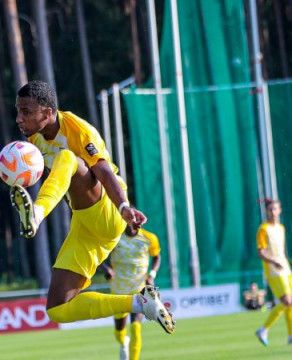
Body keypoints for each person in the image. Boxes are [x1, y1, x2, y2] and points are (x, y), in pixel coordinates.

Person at [10, 80, 174, 334]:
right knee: (58, 309)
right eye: (18, 111)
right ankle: (141, 303)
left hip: (108, 210)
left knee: (68, 157)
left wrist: (124, 207)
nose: (19, 119)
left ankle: (37, 214)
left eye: (26, 112)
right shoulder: (33, 136)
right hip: (85, 224)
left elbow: (105, 173)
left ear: (48, 112)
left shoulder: (77, 130)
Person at [101, 227, 162, 360]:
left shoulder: (149, 238)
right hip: (119, 291)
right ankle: (123, 342)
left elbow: (157, 257)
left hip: (139, 289)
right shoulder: (114, 237)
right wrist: (106, 269)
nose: (132, 224)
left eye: (136, 221)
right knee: (119, 331)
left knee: (136, 327)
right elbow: (98, 256)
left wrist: (152, 274)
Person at [254, 199, 292, 346]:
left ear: (280, 210)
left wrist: (283, 262)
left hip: (284, 268)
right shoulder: (263, 229)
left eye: (275, 209)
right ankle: (263, 329)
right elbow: (261, 251)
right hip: (273, 270)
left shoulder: (281, 228)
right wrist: (273, 261)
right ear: (266, 211)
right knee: (287, 301)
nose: (272, 212)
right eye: (270, 209)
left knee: (291, 301)